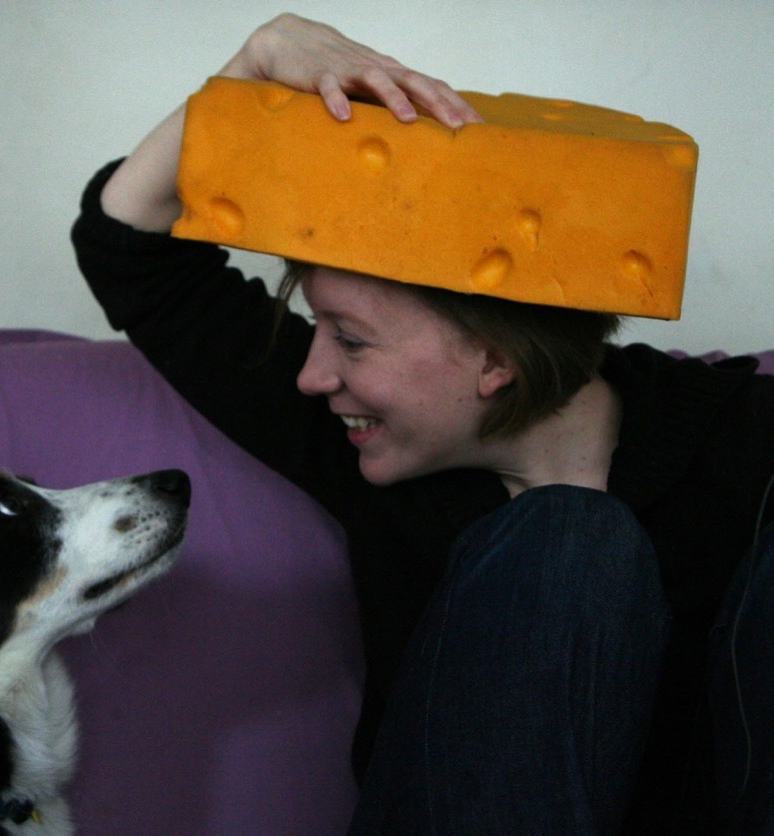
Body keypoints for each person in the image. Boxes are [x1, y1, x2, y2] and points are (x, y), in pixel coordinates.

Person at [71, 12, 774, 833]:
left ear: (492, 359)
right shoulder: (362, 444)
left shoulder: (740, 435)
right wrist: (259, 60)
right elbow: (129, 248)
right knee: (571, 543)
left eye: (351, 339)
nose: (312, 373)